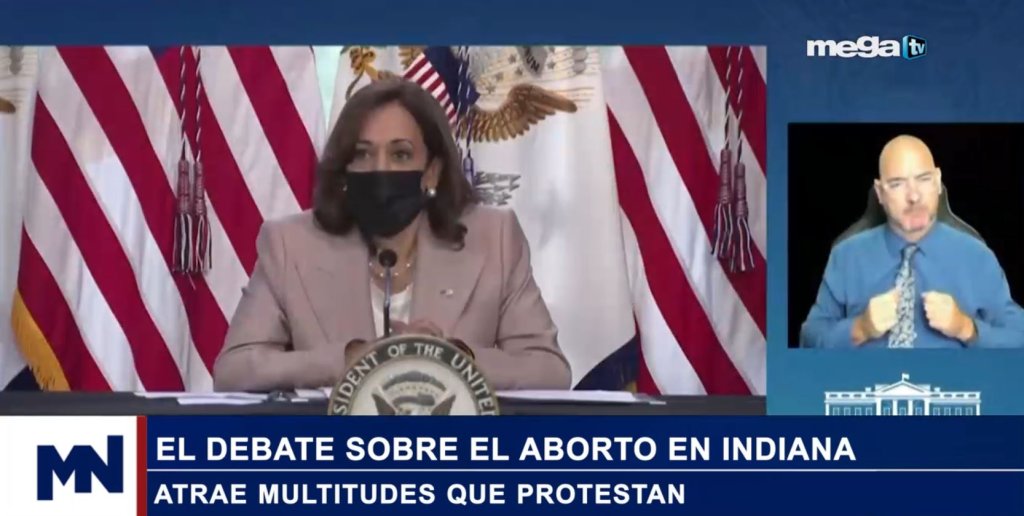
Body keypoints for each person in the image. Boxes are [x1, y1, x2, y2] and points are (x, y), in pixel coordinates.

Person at [213, 78, 572, 391]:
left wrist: (452, 357)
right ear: (344, 169)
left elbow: (549, 369)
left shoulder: (494, 239)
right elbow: (235, 370)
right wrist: (350, 358)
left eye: (400, 154)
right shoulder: (290, 244)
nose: (380, 169)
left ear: (431, 172)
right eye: (363, 154)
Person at [800, 134, 1024, 349]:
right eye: (897, 184)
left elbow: (1018, 336)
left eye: (924, 179)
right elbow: (809, 338)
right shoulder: (846, 256)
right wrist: (860, 328)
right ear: (880, 192)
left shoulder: (977, 257)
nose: (914, 196)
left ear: (938, 181)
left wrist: (966, 328)